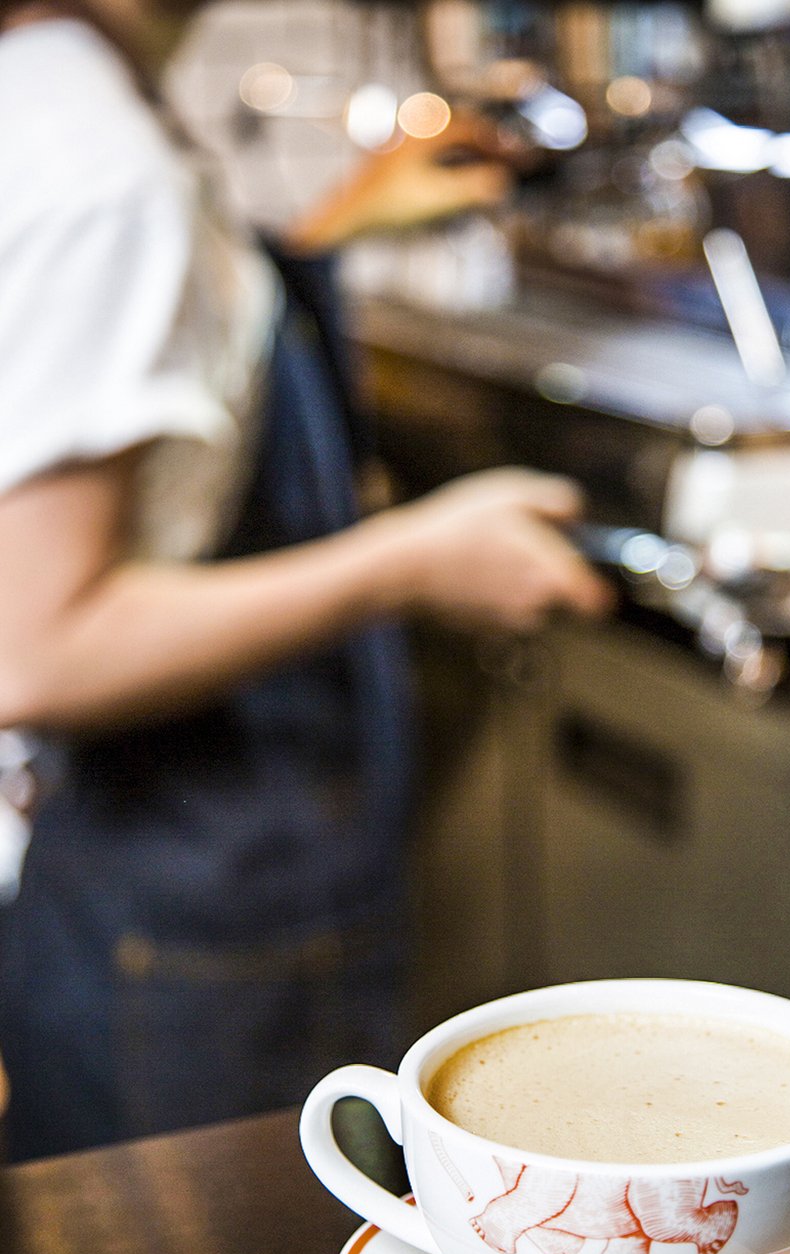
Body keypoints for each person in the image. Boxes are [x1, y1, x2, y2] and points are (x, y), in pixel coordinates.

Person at [0, 0, 612, 1161]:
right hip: (183, 887)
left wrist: (319, 241)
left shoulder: (58, 100)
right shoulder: (97, 165)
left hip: (143, 862)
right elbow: (34, 646)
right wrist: (414, 561)